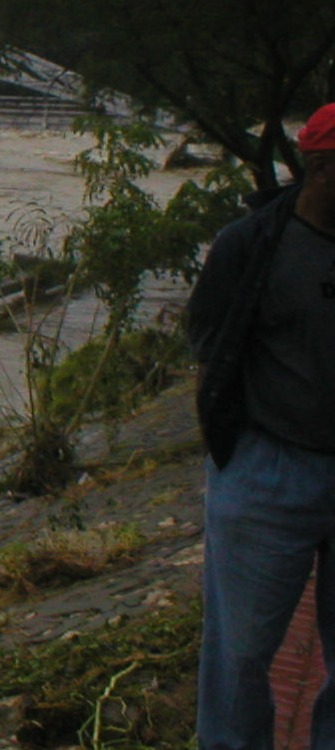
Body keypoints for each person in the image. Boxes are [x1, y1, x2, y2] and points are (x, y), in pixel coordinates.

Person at [190, 102, 335, 750]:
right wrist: (236, 447)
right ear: (321, 168)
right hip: (268, 470)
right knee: (241, 657)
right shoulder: (250, 245)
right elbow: (208, 340)